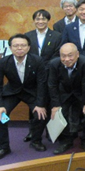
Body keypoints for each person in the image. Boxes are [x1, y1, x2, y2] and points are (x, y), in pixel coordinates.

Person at [0, 34, 48, 160]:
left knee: (40, 114)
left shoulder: (37, 61)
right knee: (0, 118)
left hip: (31, 92)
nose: (19, 48)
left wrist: (40, 104)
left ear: (28, 47)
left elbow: (42, 84)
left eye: (23, 45)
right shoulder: (3, 62)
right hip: (12, 92)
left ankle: (36, 141)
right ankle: (4, 147)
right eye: (16, 46)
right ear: (11, 48)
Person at [48, 43, 85, 154]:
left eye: (70, 55)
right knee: (60, 113)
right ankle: (66, 140)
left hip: (82, 94)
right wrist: (55, 105)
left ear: (77, 54)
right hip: (64, 93)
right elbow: (52, 85)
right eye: (63, 56)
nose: (67, 59)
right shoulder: (54, 64)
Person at [23, 9, 62, 142]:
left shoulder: (57, 36)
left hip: (50, 74)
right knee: (34, 103)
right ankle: (32, 131)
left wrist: (43, 68)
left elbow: (57, 56)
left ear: (48, 20)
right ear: (34, 21)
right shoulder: (27, 36)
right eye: (38, 19)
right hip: (32, 75)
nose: (40, 21)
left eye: (43, 19)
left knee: (49, 102)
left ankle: (50, 131)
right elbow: (25, 55)